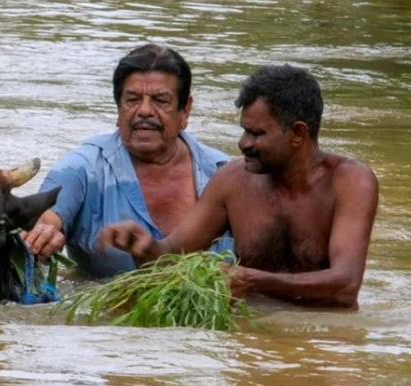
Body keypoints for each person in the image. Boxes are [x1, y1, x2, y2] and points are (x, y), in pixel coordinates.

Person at [99, 64, 379, 309]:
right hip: (247, 334)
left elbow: (345, 285)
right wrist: (144, 246)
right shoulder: (232, 180)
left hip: (325, 340)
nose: (243, 143)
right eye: (244, 131)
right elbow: (170, 259)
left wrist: (256, 281)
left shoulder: (349, 181)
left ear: (297, 133)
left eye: (257, 133)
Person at [22, 43, 232, 278]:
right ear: (118, 109)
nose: (144, 111)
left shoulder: (227, 175)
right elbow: (43, 221)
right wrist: (43, 236)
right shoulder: (81, 169)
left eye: (160, 101)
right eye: (132, 99)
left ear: (185, 111)